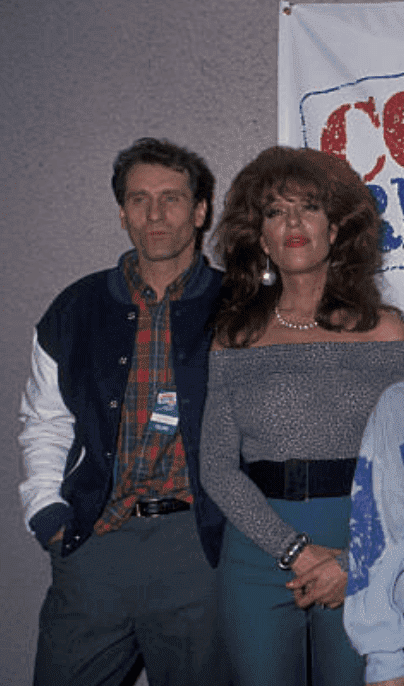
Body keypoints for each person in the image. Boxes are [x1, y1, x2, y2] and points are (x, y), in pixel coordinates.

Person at [17, 137, 228, 685]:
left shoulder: (239, 306)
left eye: (172, 198)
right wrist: (47, 513)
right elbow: (44, 420)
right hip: (94, 545)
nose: (155, 214)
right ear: (121, 213)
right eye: (139, 200)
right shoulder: (76, 308)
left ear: (200, 210)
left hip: (199, 551)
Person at [199, 146, 404, 686]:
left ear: (337, 229)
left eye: (309, 208)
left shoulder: (385, 331)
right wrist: (293, 551)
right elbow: (217, 469)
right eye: (275, 212)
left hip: (356, 550)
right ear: (261, 236)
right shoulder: (234, 335)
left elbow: (403, 465)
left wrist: (352, 560)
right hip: (257, 553)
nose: (292, 223)